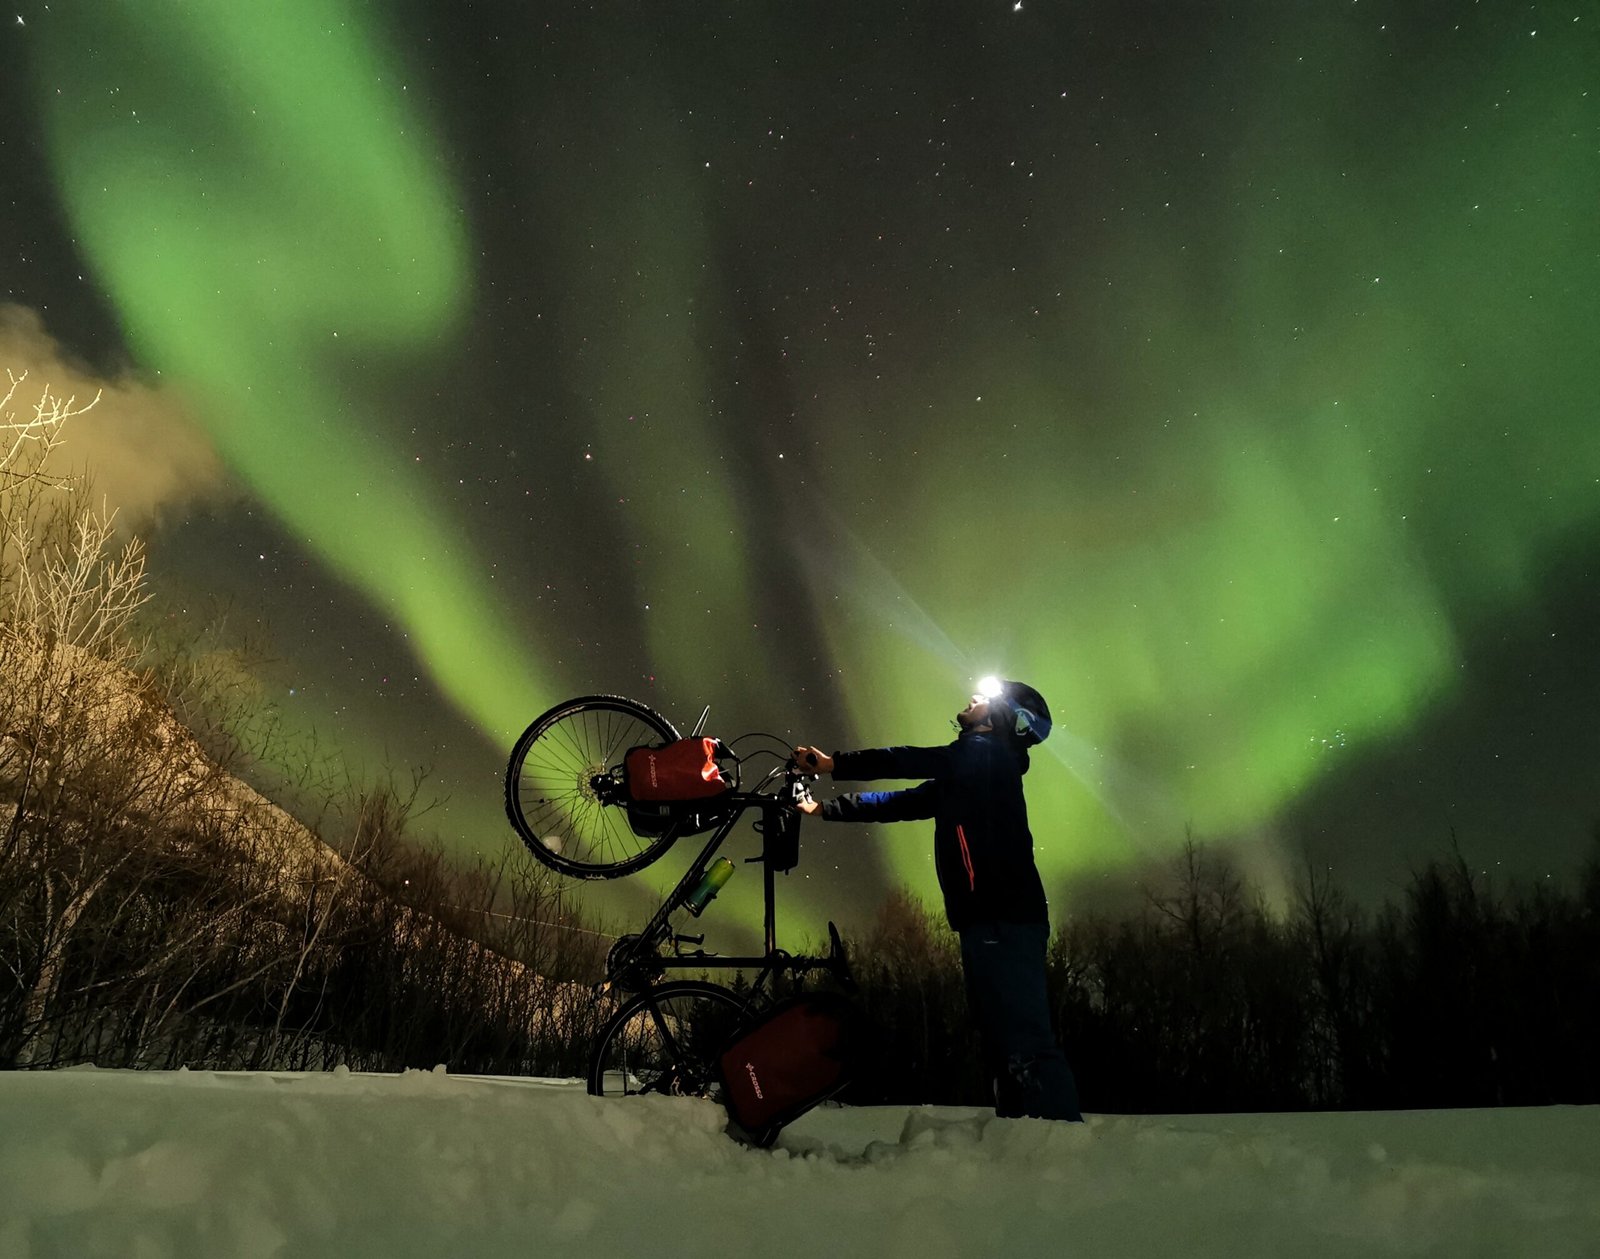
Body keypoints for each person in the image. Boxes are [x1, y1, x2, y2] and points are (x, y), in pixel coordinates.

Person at [792, 679, 1083, 1122]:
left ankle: (1059, 1139)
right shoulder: (970, 771)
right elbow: (898, 802)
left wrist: (834, 763)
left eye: (985, 700)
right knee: (1000, 1038)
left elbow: (907, 760)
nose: (971, 699)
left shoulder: (986, 757)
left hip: (1004, 917)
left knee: (1023, 1036)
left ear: (1002, 718)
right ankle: (1024, 1139)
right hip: (985, 919)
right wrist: (824, 809)